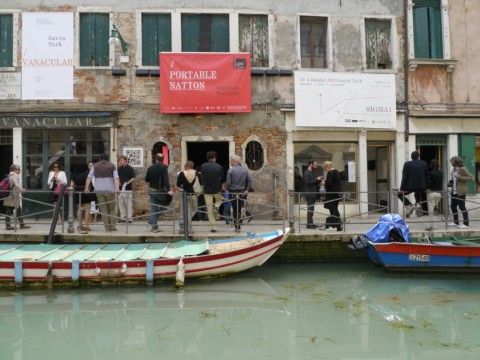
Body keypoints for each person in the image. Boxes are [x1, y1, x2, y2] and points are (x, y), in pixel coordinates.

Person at [85, 153, 120, 232]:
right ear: (107, 158)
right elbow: (116, 178)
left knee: (103, 210)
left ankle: (107, 228)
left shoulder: (95, 166)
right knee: (111, 209)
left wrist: (86, 188)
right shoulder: (112, 166)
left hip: (99, 191)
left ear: (100, 158)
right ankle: (112, 227)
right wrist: (117, 188)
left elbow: (89, 177)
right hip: (110, 190)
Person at [145, 153, 173, 233]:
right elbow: (165, 180)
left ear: (156, 159)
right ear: (163, 159)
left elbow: (147, 179)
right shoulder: (163, 167)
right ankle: (154, 227)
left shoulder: (150, 167)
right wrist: (168, 190)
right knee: (164, 207)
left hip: (151, 189)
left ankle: (152, 222)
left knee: (154, 209)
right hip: (159, 191)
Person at [398, 150, 429, 218]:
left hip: (410, 187)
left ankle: (409, 205)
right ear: (418, 157)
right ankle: (418, 206)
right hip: (422, 187)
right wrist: (428, 187)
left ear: (411, 157)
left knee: (399, 194)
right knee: (418, 194)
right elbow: (427, 176)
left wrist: (402, 188)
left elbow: (404, 177)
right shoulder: (424, 163)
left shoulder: (407, 164)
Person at [226, 154, 253, 233]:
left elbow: (228, 182)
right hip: (241, 192)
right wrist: (247, 190)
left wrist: (227, 187)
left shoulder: (230, 170)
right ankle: (239, 223)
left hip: (233, 192)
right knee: (239, 208)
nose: (230, 162)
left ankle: (237, 226)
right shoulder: (245, 170)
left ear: (234, 161)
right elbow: (250, 180)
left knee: (235, 209)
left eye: (231, 160)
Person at [200, 151, 223, 233]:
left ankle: (213, 227)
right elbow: (221, 178)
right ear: (215, 157)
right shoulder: (219, 166)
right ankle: (216, 207)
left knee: (209, 209)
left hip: (207, 190)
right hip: (216, 189)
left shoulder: (203, 166)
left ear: (207, 157)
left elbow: (202, 177)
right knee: (219, 200)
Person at [448, 156, 473, 229]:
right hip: (454, 191)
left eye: (452, 162)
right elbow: (454, 179)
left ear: (456, 161)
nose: (451, 163)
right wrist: (450, 183)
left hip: (461, 191)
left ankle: (466, 223)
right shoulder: (453, 169)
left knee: (462, 207)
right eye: (451, 162)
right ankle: (456, 222)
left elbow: (470, 177)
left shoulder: (463, 169)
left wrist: (460, 178)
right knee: (453, 206)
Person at [3, 164, 30, 230]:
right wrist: (22, 189)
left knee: (18, 209)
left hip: (10, 196)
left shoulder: (10, 175)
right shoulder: (14, 176)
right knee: (9, 210)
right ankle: (8, 225)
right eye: (18, 169)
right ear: (14, 170)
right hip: (12, 196)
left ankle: (21, 224)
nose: (19, 170)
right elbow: (16, 183)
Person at [176, 160, 198, 234]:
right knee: (195, 209)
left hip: (185, 194)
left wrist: (183, 187)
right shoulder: (196, 173)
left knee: (187, 211)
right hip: (193, 194)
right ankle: (189, 226)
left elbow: (178, 185)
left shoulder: (181, 173)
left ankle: (186, 223)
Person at [70, 162, 92, 234]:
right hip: (85, 191)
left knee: (79, 208)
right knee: (87, 208)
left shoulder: (75, 174)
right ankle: (86, 225)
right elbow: (89, 182)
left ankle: (80, 225)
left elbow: (71, 185)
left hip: (77, 191)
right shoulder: (87, 173)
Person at [322, 161, 342, 231]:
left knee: (333, 209)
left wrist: (324, 182)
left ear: (327, 166)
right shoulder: (336, 171)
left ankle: (336, 225)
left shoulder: (330, 173)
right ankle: (338, 223)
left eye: (325, 168)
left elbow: (329, 183)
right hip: (337, 194)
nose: (325, 169)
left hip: (331, 194)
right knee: (335, 208)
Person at [425, 159, 444, 231]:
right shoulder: (441, 172)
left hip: (431, 192)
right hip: (439, 192)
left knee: (431, 210)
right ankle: (435, 225)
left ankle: (433, 226)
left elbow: (429, 182)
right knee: (435, 209)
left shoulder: (430, 173)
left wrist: (428, 188)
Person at [303, 159, 322, 229]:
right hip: (309, 194)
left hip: (313, 194)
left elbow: (313, 182)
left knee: (311, 209)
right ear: (311, 164)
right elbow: (308, 183)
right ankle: (309, 224)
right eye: (315, 165)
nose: (316, 167)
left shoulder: (312, 172)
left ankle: (311, 222)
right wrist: (317, 179)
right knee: (310, 209)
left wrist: (319, 180)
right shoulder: (306, 173)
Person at [117, 155, 135, 223]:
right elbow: (117, 177)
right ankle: (123, 218)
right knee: (121, 204)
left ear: (125, 160)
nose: (120, 162)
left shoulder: (130, 168)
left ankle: (130, 218)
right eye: (119, 161)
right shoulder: (119, 169)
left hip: (128, 189)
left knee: (128, 204)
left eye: (121, 160)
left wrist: (128, 182)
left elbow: (133, 177)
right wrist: (118, 182)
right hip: (121, 189)